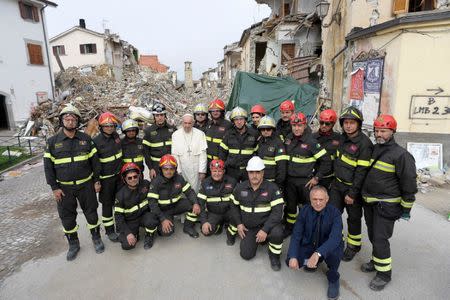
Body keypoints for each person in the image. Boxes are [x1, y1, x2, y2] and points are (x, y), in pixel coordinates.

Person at [360, 115, 417, 291]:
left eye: (383, 131)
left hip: (387, 205)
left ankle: (384, 274)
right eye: (377, 130)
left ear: (393, 132)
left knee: (380, 238)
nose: (379, 134)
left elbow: (409, 185)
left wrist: (406, 209)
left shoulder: (402, 155)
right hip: (370, 202)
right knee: (373, 235)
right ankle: (377, 261)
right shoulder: (376, 149)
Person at [43, 104, 104, 261]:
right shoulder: (52, 142)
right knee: (67, 218)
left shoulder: (86, 140)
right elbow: (48, 168)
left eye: (73, 119)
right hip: (64, 189)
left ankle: (96, 238)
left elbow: (95, 163)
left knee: (91, 213)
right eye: (67, 119)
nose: (70, 122)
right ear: (62, 121)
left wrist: (96, 180)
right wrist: (54, 188)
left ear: (78, 122)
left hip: (86, 185)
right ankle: (73, 244)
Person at [329, 106, 373, 262]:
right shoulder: (342, 138)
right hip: (337, 185)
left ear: (358, 124)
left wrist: (352, 193)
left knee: (353, 218)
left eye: (352, 123)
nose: (348, 125)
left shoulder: (364, 144)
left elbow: (361, 172)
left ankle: (354, 246)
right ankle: (336, 241)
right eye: (346, 122)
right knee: (333, 214)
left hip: (352, 189)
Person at [286, 186, 343, 300]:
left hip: (327, 247)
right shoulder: (304, 211)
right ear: (310, 199)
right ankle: (312, 262)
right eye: (314, 199)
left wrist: (318, 253)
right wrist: (292, 256)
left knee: (335, 253)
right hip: (310, 244)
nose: (317, 203)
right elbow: (296, 235)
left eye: (321, 200)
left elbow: (335, 238)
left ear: (327, 199)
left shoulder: (335, 213)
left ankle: (333, 278)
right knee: (290, 261)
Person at [230, 156, 284, 271]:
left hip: (267, 226)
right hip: (249, 228)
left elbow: (278, 212)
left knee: (278, 233)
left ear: (263, 173)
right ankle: (259, 241)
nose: (254, 175)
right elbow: (233, 206)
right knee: (246, 255)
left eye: (257, 172)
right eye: (251, 172)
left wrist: (265, 230)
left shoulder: (272, 188)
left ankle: (274, 256)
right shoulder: (240, 188)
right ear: (247, 173)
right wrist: (239, 224)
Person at [283, 112, 332, 237]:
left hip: (305, 182)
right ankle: (290, 228)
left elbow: (326, 161)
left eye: (299, 125)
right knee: (291, 207)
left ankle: (307, 230)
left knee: (307, 208)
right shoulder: (288, 139)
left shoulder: (311, 142)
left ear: (305, 125)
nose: (296, 128)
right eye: (294, 125)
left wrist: (317, 178)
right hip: (290, 181)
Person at [147, 154, 200, 238]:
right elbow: (152, 204)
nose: (169, 171)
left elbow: (189, 192)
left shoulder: (179, 178)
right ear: (161, 169)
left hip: (176, 206)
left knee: (194, 204)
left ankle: (188, 227)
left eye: (172, 168)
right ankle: (161, 225)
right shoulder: (155, 182)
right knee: (167, 232)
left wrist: (196, 203)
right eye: (166, 169)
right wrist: (163, 219)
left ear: (175, 169)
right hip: (163, 211)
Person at [93, 112, 122, 242]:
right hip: (106, 180)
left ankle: (121, 226)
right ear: (101, 127)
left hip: (119, 177)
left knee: (120, 202)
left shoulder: (116, 136)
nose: (110, 128)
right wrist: (96, 181)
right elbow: (94, 164)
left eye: (112, 125)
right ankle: (110, 231)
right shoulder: (96, 142)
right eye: (106, 125)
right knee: (107, 205)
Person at [114, 163, 157, 250]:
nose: (133, 179)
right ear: (124, 179)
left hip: (144, 216)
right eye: (129, 178)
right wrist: (128, 233)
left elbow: (157, 188)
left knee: (152, 220)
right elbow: (118, 217)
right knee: (126, 245)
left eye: (135, 176)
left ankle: (149, 235)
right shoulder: (120, 195)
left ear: (139, 176)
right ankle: (134, 234)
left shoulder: (145, 184)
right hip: (130, 221)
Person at [198, 159, 238, 245]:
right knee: (206, 231)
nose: (217, 173)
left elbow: (238, 201)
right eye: (214, 171)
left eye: (219, 171)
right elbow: (200, 204)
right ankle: (218, 225)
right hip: (214, 213)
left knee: (238, 218)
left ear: (224, 171)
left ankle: (230, 234)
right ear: (211, 171)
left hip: (229, 212)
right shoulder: (205, 183)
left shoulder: (232, 182)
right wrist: (204, 221)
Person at [219, 107, 258, 182]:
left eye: (241, 119)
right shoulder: (228, 134)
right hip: (231, 171)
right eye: (236, 119)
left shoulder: (253, 134)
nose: (239, 122)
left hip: (248, 170)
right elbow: (222, 153)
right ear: (233, 121)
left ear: (245, 120)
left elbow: (257, 152)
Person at [171, 114, 207, 193]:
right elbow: (175, 155)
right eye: (185, 123)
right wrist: (178, 171)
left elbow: (203, 155)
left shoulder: (200, 134)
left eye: (189, 123)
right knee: (183, 190)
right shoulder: (175, 135)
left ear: (193, 123)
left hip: (196, 169)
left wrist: (202, 171)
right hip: (183, 169)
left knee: (196, 190)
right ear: (182, 123)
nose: (187, 125)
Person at [143, 102, 176, 179]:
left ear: (165, 116)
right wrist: (151, 168)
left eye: (162, 115)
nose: (160, 117)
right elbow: (146, 152)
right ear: (154, 117)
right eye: (157, 115)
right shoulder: (149, 131)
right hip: (156, 166)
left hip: (171, 165)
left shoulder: (172, 129)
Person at [312, 109, 341, 190]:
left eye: (327, 124)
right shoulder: (312, 137)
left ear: (333, 124)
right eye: (321, 123)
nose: (324, 125)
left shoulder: (338, 138)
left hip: (329, 178)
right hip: (314, 176)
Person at [255, 115, 287, 187]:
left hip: (273, 182)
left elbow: (282, 168)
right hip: (260, 181)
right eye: (263, 129)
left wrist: (278, 185)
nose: (265, 131)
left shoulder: (278, 144)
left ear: (273, 129)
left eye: (268, 129)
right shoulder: (260, 142)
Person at [205, 99, 232, 166]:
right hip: (207, 162)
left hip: (220, 162)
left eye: (217, 111)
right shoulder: (208, 124)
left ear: (222, 112)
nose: (215, 113)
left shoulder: (228, 125)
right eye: (213, 111)